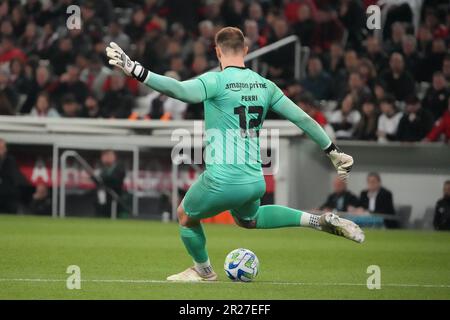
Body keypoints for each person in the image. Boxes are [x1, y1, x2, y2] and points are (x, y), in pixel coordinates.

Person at [106, 26, 363, 282]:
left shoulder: (215, 81)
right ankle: (317, 221)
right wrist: (333, 150)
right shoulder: (265, 85)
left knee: (185, 215)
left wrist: (136, 70)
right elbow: (303, 119)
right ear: (246, 50)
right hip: (254, 180)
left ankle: (203, 271)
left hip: (223, 178)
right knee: (250, 219)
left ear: (217, 51)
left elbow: (180, 91)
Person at [93, 150, 126, 217]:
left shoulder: (119, 167)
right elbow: (97, 182)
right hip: (101, 199)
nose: (106, 158)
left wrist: (102, 178)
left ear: (114, 156)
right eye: (104, 156)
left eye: (108, 155)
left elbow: (116, 181)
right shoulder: (102, 169)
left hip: (114, 198)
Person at [0, 138, 20, 214]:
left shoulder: (10, 160)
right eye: (1, 148)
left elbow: (12, 177)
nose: (3, 150)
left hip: (8, 195)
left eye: (4, 147)